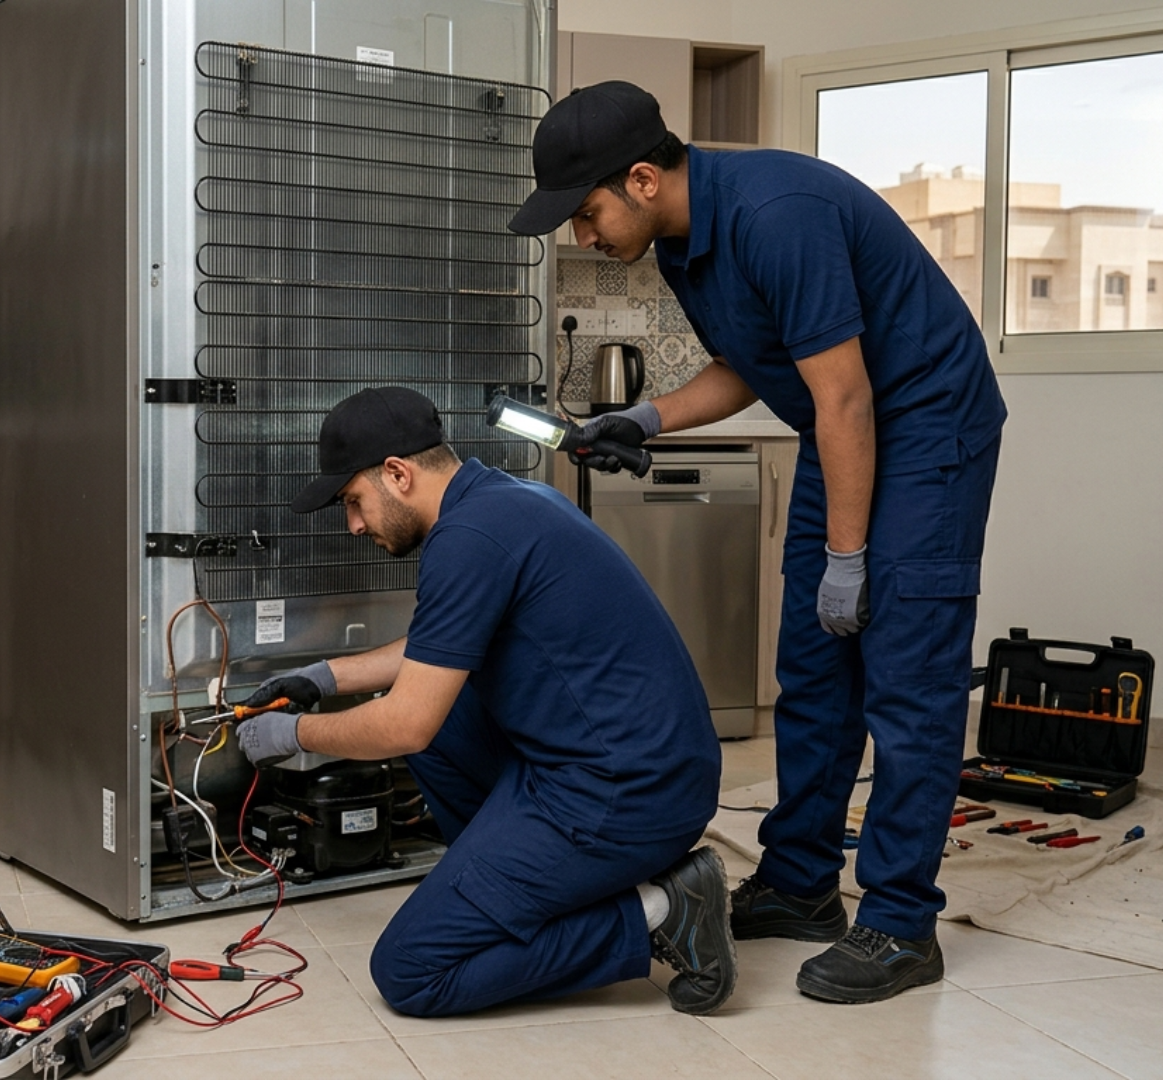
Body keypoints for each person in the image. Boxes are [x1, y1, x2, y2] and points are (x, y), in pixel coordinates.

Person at [507, 81, 1006, 1004]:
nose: (582, 236)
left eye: (585, 213)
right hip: (839, 426)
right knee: (814, 667)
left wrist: (849, 561)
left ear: (645, 178)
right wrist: (647, 418)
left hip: (926, 426)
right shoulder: (684, 246)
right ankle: (804, 882)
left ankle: (900, 922)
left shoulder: (778, 214)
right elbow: (751, 363)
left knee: (904, 674)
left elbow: (849, 394)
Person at [233, 385, 735, 1019]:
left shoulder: (469, 536)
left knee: (411, 970)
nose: (353, 524)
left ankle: (661, 910)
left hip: (626, 793)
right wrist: (324, 676)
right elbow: (438, 644)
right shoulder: (499, 501)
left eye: (353, 502)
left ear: (397, 474)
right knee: (444, 711)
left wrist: (296, 735)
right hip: (625, 767)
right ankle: (516, 890)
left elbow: (407, 724)